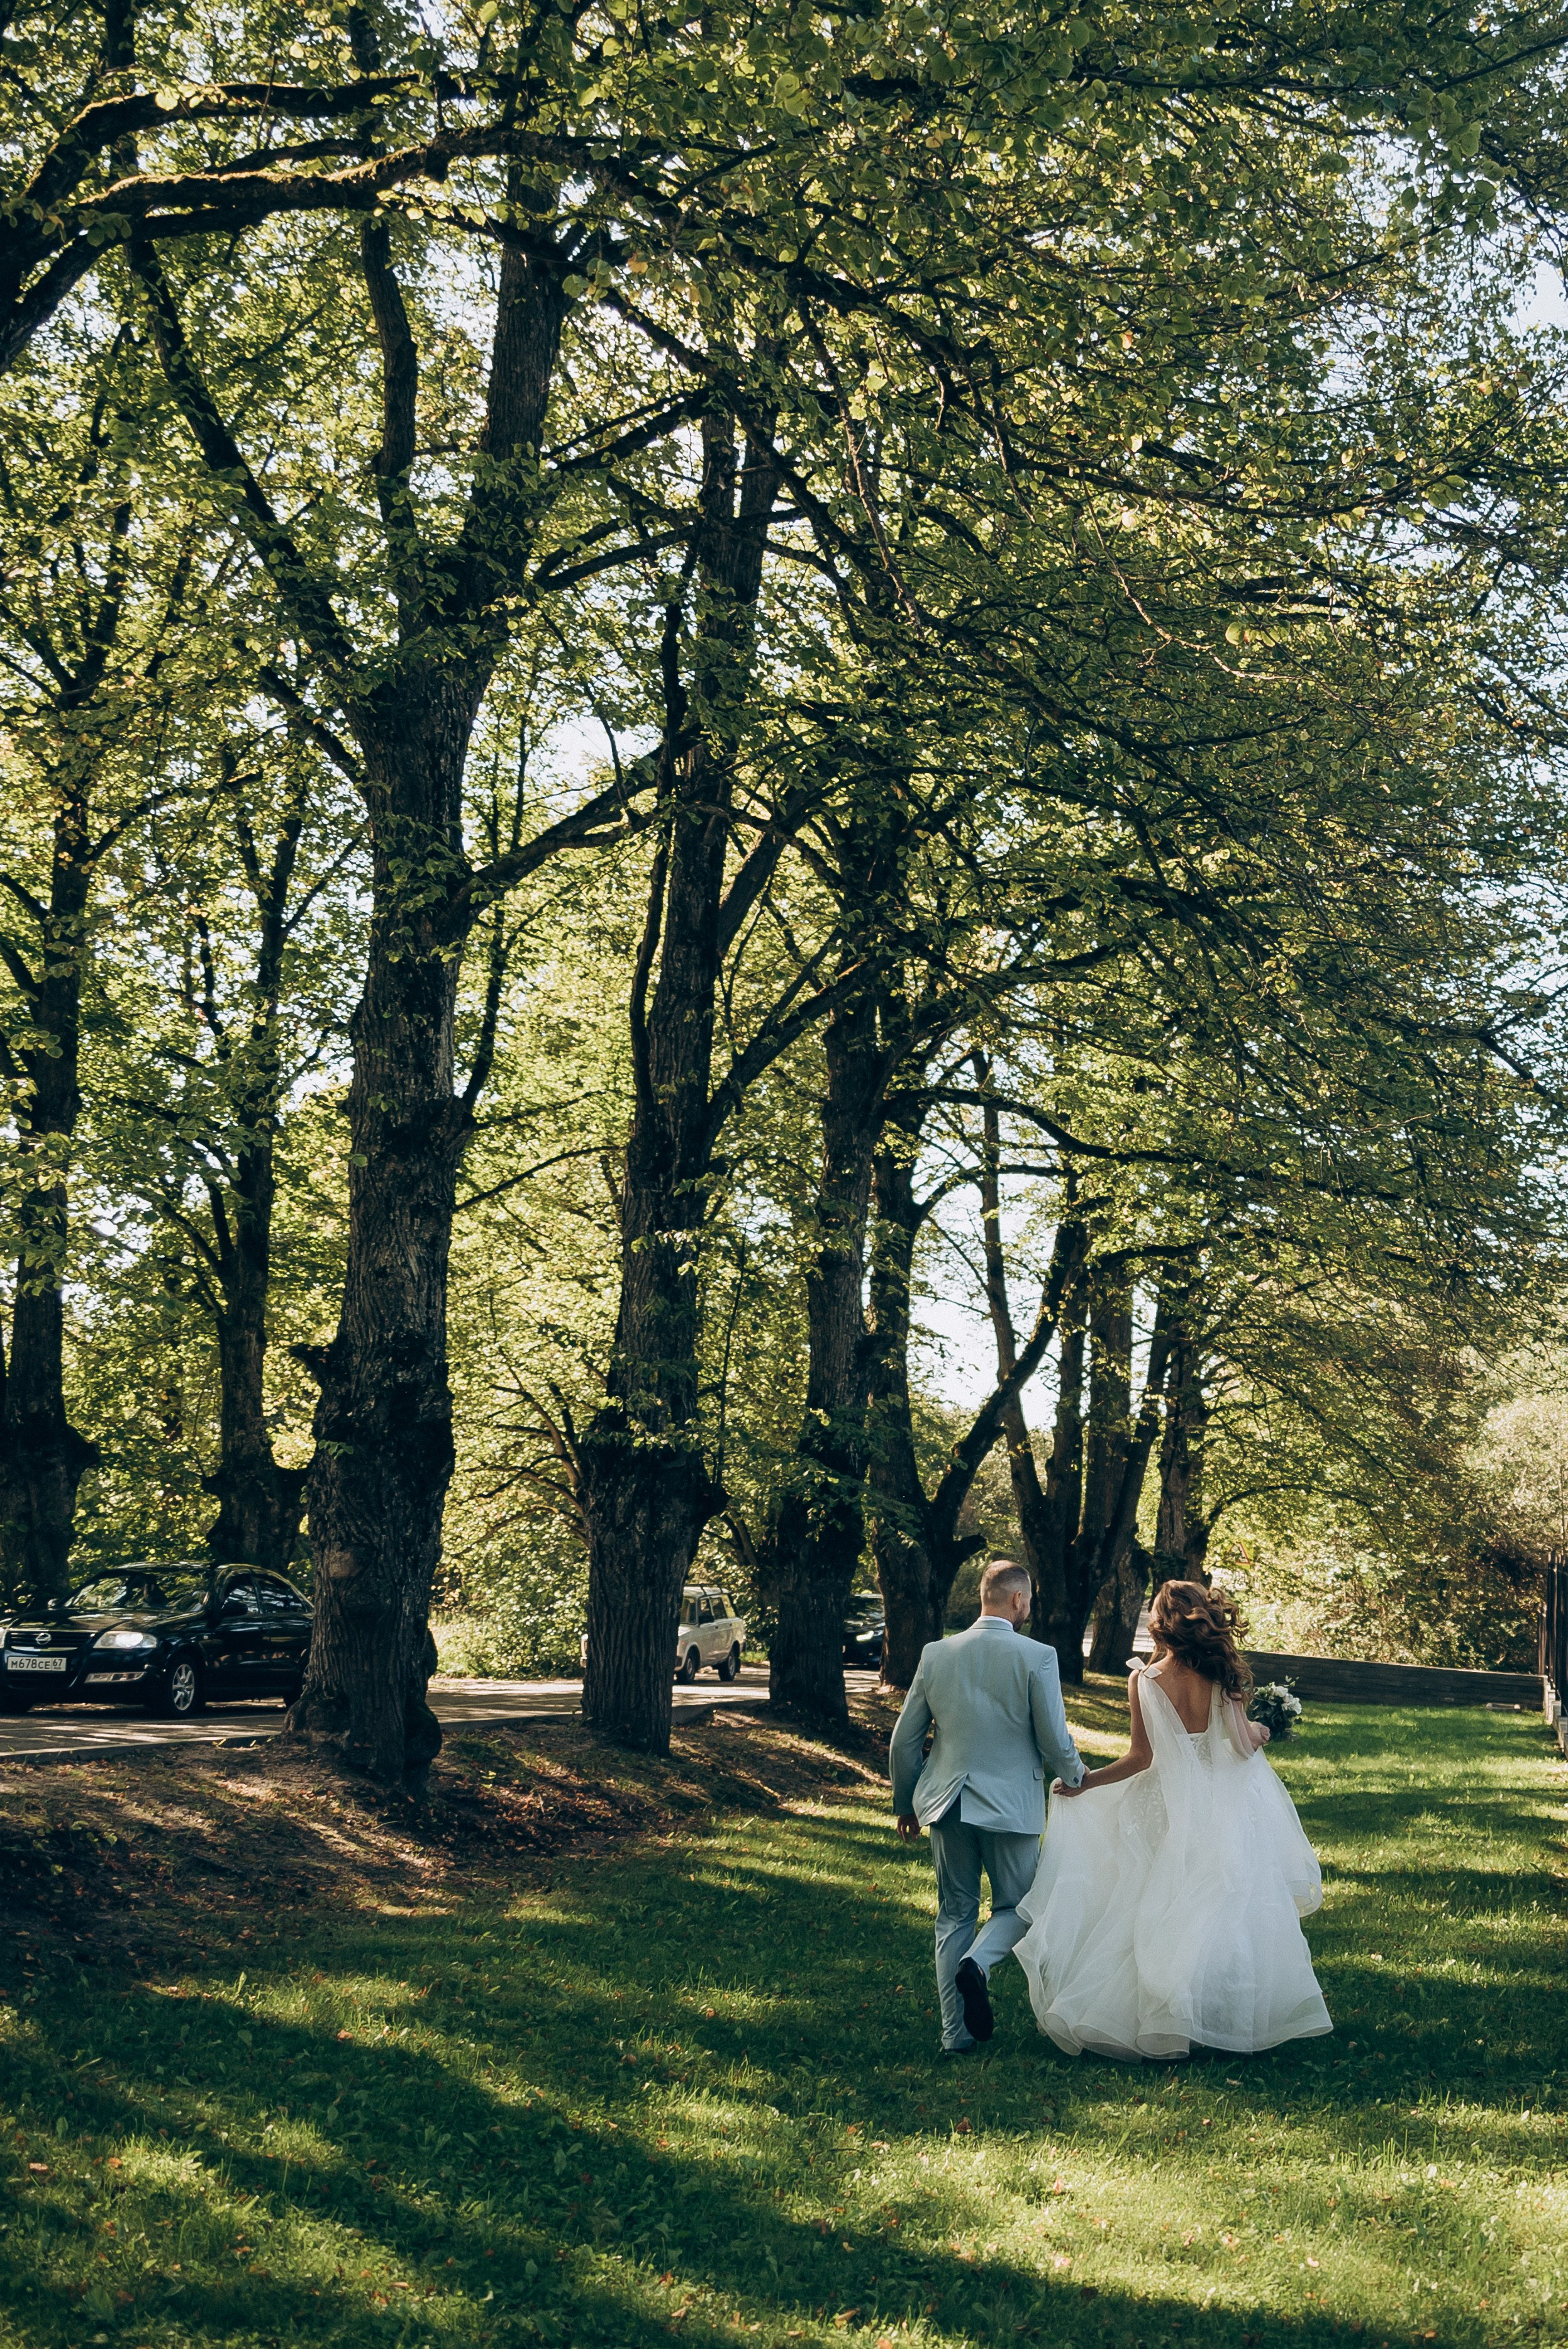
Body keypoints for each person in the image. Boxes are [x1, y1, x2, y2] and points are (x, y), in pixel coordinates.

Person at [1013, 1578, 1332, 2061]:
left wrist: (1086, 1782)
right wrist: (1262, 1728)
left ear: (1158, 1624)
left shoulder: (1143, 1679)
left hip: (1159, 1803)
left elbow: (1140, 1758)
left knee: (1150, 1901)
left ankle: (1156, 2013)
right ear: (1202, 1618)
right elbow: (1242, 1744)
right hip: (1216, 1802)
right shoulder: (1222, 1673)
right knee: (1217, 1903)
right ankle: (1211, 2014)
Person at [889, 1559, 1084, 2056]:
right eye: (1029, 1600)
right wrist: (1078, 1776)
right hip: (1009, 1804)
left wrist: (906, 1804)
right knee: (1019, 1905)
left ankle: (953, 2035)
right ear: (1018, 1600)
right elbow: (1052, 1736)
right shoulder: (1037, 1655)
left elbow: (903, 1741)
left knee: (954, 1912)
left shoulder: (937, 1653)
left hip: (944, 1802)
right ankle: (976, 1964)